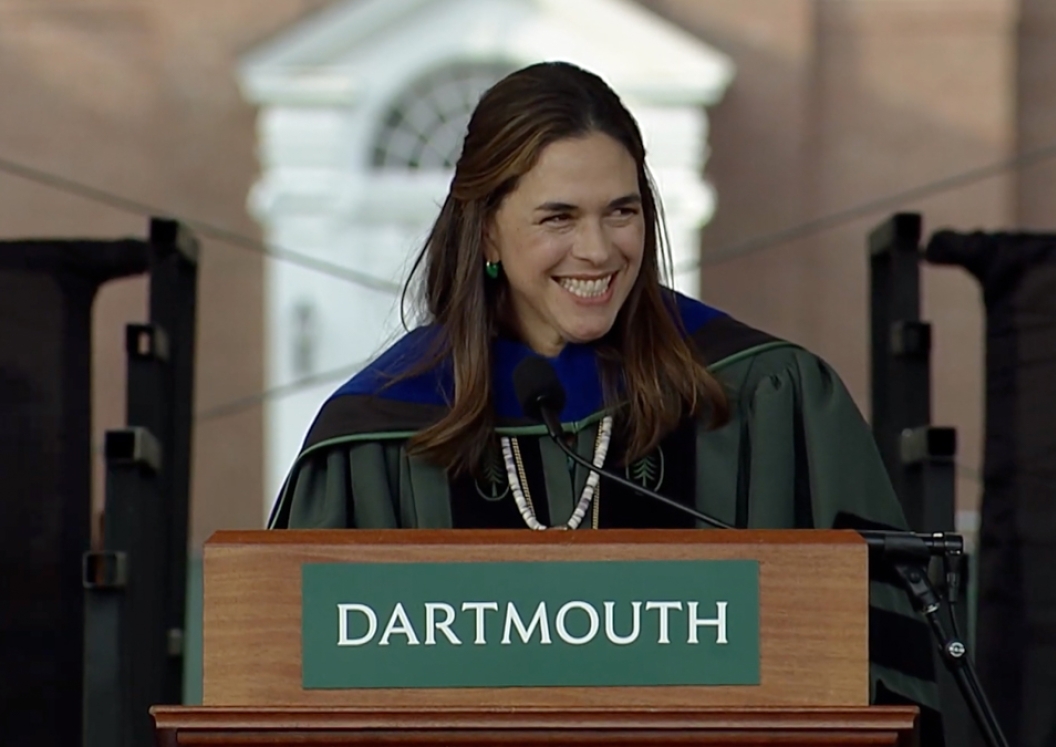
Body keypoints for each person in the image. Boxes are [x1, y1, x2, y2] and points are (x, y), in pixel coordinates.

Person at [268, 61, 942, 744]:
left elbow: (889, 679)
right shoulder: (376, 435)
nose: (597, 250)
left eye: (621, 211)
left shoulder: (762, 397)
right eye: (558, 217)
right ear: (487, 232)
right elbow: (289, 693)